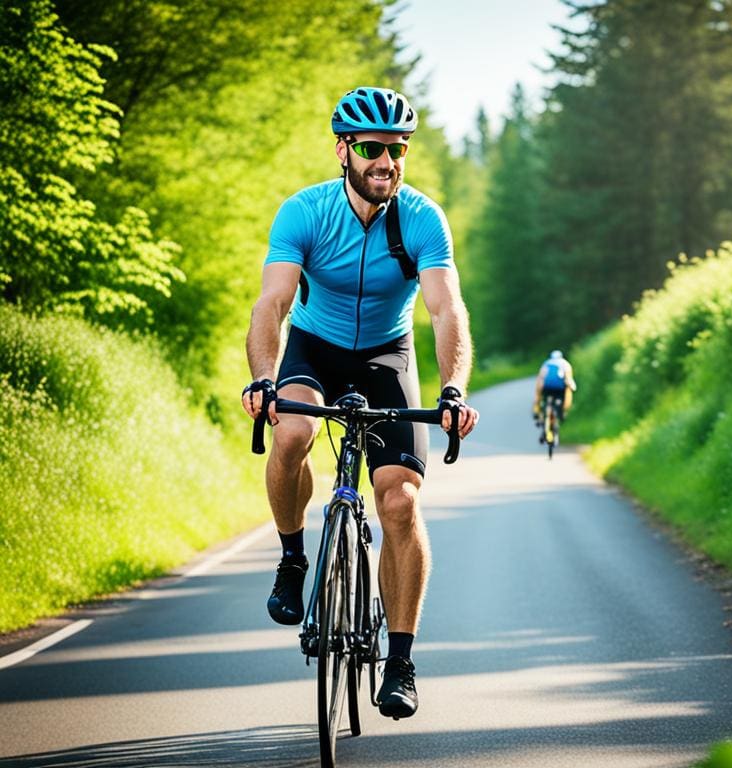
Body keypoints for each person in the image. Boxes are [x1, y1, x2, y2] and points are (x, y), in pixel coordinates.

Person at [241, 86, 478, 721]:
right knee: (290, 436)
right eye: (373, 148)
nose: (387, 162)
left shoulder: (422, 218)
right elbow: (272, 304)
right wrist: (264, 378)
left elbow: (445, 309)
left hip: (386, 356)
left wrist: (453, 390)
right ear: (344, 150)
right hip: (312, 350)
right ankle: (293, 557)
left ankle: (399, 662)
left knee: (400, 500)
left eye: (397, 150)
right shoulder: (306, 212)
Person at [534, 350, 576, 425]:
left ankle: (538, 411)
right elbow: (568, 379)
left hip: (546, 387)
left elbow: (540, 378)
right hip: (560, 388)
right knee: (568, 391)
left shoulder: (546, 363)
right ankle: (564, 412)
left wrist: (538, 394)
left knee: (543, 399)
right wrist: (572, 387)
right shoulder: (565, 364)